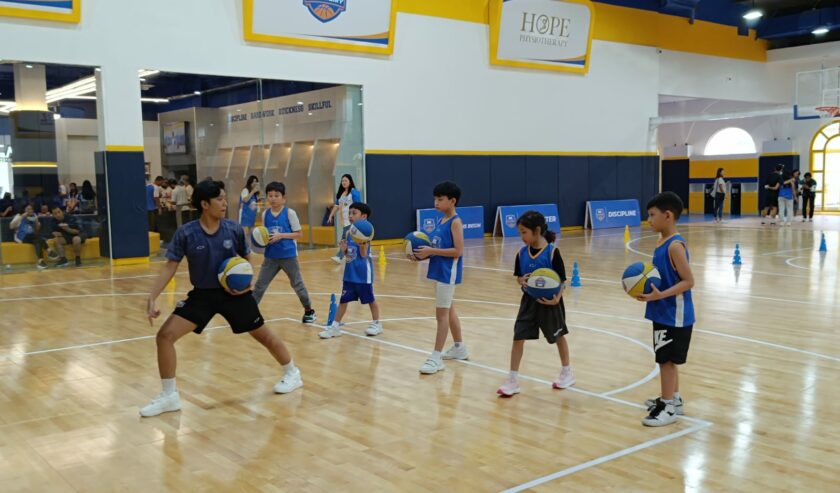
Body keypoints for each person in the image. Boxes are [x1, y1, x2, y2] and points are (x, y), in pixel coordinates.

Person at [140, 180, 302, 418]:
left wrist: (246, 283)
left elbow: (248, 259)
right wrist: (152, 297)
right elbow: (170, 266)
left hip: (234, 295)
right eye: (219, 199)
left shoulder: (233, 229)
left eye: (225, 198)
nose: (224, 203)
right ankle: (169, 396)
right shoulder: (186, 233)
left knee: (264, 335)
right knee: (164, 336)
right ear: (204, 204)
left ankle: (292, 373)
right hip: (203, 295)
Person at [497, 211, 574, 397]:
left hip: (550, 302)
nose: (521, 237)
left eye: (524, 232)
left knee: (558, 336)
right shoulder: (521, 253)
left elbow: (563, 280)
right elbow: (518, 277)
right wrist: (521, 280)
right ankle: (512, 379)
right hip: (528, 301)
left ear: (537, 231)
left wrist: (557, 297)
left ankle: (567, 372)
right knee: (518, 337)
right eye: (520, 233)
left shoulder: (552, 252)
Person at [636, 192, 695, 427]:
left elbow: (689, 281)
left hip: (675, 314)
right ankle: (674, 398)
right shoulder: (661, 241)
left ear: (668, 215)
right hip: (662, 310)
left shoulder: (675, 246)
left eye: (652, 215)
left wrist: (661, 295)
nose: (648, 220)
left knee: (666, 361)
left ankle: (668, 407)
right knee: (666, 359)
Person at [412, 181, 468, 375]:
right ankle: (459, 348)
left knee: (441, 315)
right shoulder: (442, 220)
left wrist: (431, 250)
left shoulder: (455, 222)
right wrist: (422, 254)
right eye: (435, 199)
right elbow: (438, 248)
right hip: (438, 271)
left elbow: (458, 251)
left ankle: (436, 358)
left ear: (452, 201)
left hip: (447, 273)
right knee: (449, 310)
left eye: (440, 199)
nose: (436, 202)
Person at [251, 181, 317, 324]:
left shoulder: (289, 213)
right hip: (270, 257)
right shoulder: (265, 214)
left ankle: (309, 311)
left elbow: (299, 234)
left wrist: (281, 236)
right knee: (259, 286)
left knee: (297, 284)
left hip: (288, 256)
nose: (273, 198)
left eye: (276, 195)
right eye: (270, 195)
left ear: (284, 198)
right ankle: (248, 313)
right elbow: (265, 234)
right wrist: (263, 240)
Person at [319, 202, 382, 338]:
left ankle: (377, 323)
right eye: (350, 212)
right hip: (349, 274)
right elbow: (349, 255)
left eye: (354, 213)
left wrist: (362, 243)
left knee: (370, 299)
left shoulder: (365, 234)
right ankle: (335, 327)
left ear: (364, 216)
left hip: (363, 275)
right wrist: (344, 250)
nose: (350, 215)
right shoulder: (348, 233)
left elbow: (364, 255)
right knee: (343, 300)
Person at [327, 174, 362, 264]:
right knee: (349, 239)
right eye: (342, 181)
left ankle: (339, 256)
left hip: (352, 220)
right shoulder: (343, 194)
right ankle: (350, 256)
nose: (344, 182)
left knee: (345, 238)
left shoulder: (353, 192)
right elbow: (337, 205)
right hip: (345, 221)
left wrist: (357, 218)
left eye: (346, 180)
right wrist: (331, 215)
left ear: (350, 182)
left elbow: (358, 205)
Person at [10, 204, 48, 269]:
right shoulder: (19, 216)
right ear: (24, 210)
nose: (30, 210)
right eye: (28, 209)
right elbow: (11, 226)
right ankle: (48, 249)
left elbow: (36, 230)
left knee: (37, 242)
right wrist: (22, 217)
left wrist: (37, 224)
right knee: (37, 237)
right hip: (21, 237)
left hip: (32, 237)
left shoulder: (34, 216)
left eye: (31, 209)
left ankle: (40, 262)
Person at [239, 175, 260, 240]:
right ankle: (243, 249)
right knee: (244, 234)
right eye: (253, 181)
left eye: (256, 181)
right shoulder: (246, 190)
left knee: (250, 235)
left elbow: (256, 203)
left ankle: (249, 248)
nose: (254, 183)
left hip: (252, 215)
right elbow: (245, 200)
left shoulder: (255, 193)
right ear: (250, 182)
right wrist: (253, 191)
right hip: (245, 215)